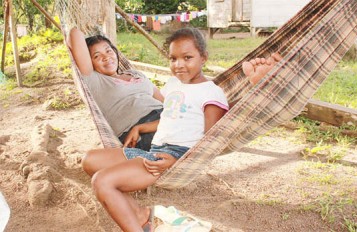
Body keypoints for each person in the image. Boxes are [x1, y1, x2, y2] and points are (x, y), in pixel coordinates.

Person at [81, 27, 281, 232]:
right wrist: (142, 127)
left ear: (203, 58)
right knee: (90, 161)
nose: (179, 65)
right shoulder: (174, 84)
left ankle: (260, 85)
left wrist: (177, 162)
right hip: (154, 150)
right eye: (173, 59)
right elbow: (171, 117)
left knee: (102, 182)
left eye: (187, 58)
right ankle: (142, 215)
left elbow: (211, 141)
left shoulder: (212, 93)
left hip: (172, 156)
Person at [67, 28, 164, 151]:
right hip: (140, 133)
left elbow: (165, 102)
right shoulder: (95, 81)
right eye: (97, 56)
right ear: (90, 62)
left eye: (108, 51)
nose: (106, 57)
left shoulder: (135, 73)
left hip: (166, 117)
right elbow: (75, 33)